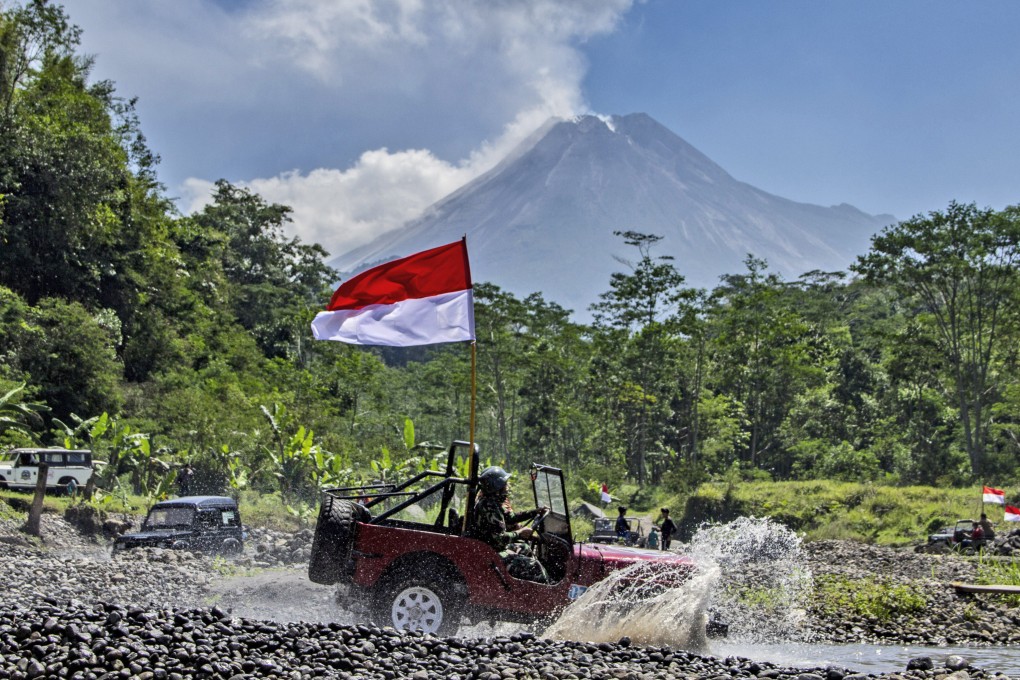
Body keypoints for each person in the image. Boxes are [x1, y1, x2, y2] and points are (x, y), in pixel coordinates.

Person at [473, 466, 549, 583]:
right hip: (491, 553)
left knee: (525, 548)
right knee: (535, 566)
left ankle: (523, 586)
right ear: (497, 488)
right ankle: (545, 595)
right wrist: (519, 534)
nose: (508, 488)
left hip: (491, 547)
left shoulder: (493, 502)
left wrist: (534, 512)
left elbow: (511, 518)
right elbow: (499, 539)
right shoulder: (489, 507)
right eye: (505, 485)